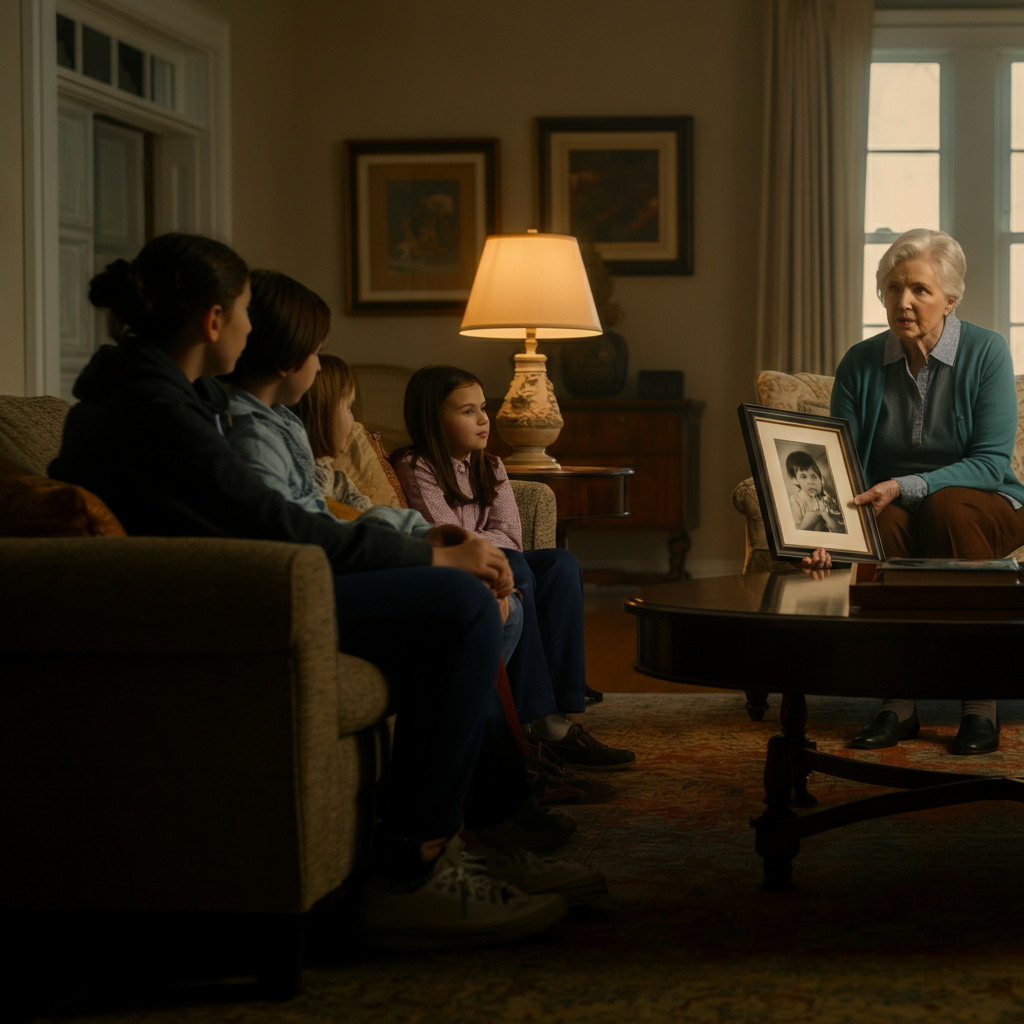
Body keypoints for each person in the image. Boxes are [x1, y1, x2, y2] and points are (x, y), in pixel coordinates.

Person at [48, 235, 594, 948]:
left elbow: (283, 517)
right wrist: (426, 557)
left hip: (250, 589)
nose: (249, 330)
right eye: (244, 311)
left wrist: (425, 546)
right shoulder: (153, 411)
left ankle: (480, 826)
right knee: (457, 606)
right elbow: (273, 524)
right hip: (234, 605)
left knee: (462, 595)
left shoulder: (167, 398)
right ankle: (413, 871)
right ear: (214, 321)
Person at [803, 228, 1024, 755]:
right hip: (893, 505)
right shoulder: (860, 362)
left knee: (946, 508)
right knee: (886, 519)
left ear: (951, 299)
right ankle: (898, 702)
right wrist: (820, 531)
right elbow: (842, 463)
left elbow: (991, 464)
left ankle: (980, 701)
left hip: (986, 503)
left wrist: (905, 483)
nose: (904, 301)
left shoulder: (987, 352)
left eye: (920, 290)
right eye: (892, 288)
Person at [391, 365, 637, 772]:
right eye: (467, 411)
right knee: (516, 565)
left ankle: (557, 716)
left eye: (483, 408)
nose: (484, 419)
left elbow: (510, 534)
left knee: (560, 563)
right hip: (453, 573)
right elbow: (451, 537)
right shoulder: (417, 466)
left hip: (497, 560)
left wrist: (487, 541)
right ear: (433, 419)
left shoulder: (491, 467)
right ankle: (537, 722)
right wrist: (487, 541)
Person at [785, 451, 846, 533]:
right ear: (795, 480)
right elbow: (795, 529)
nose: (810, 481)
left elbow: (838, 529)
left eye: (814, 476)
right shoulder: (795, 500)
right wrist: (816, 515)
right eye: (803, 477)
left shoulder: (822, 500)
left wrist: (826, 516)